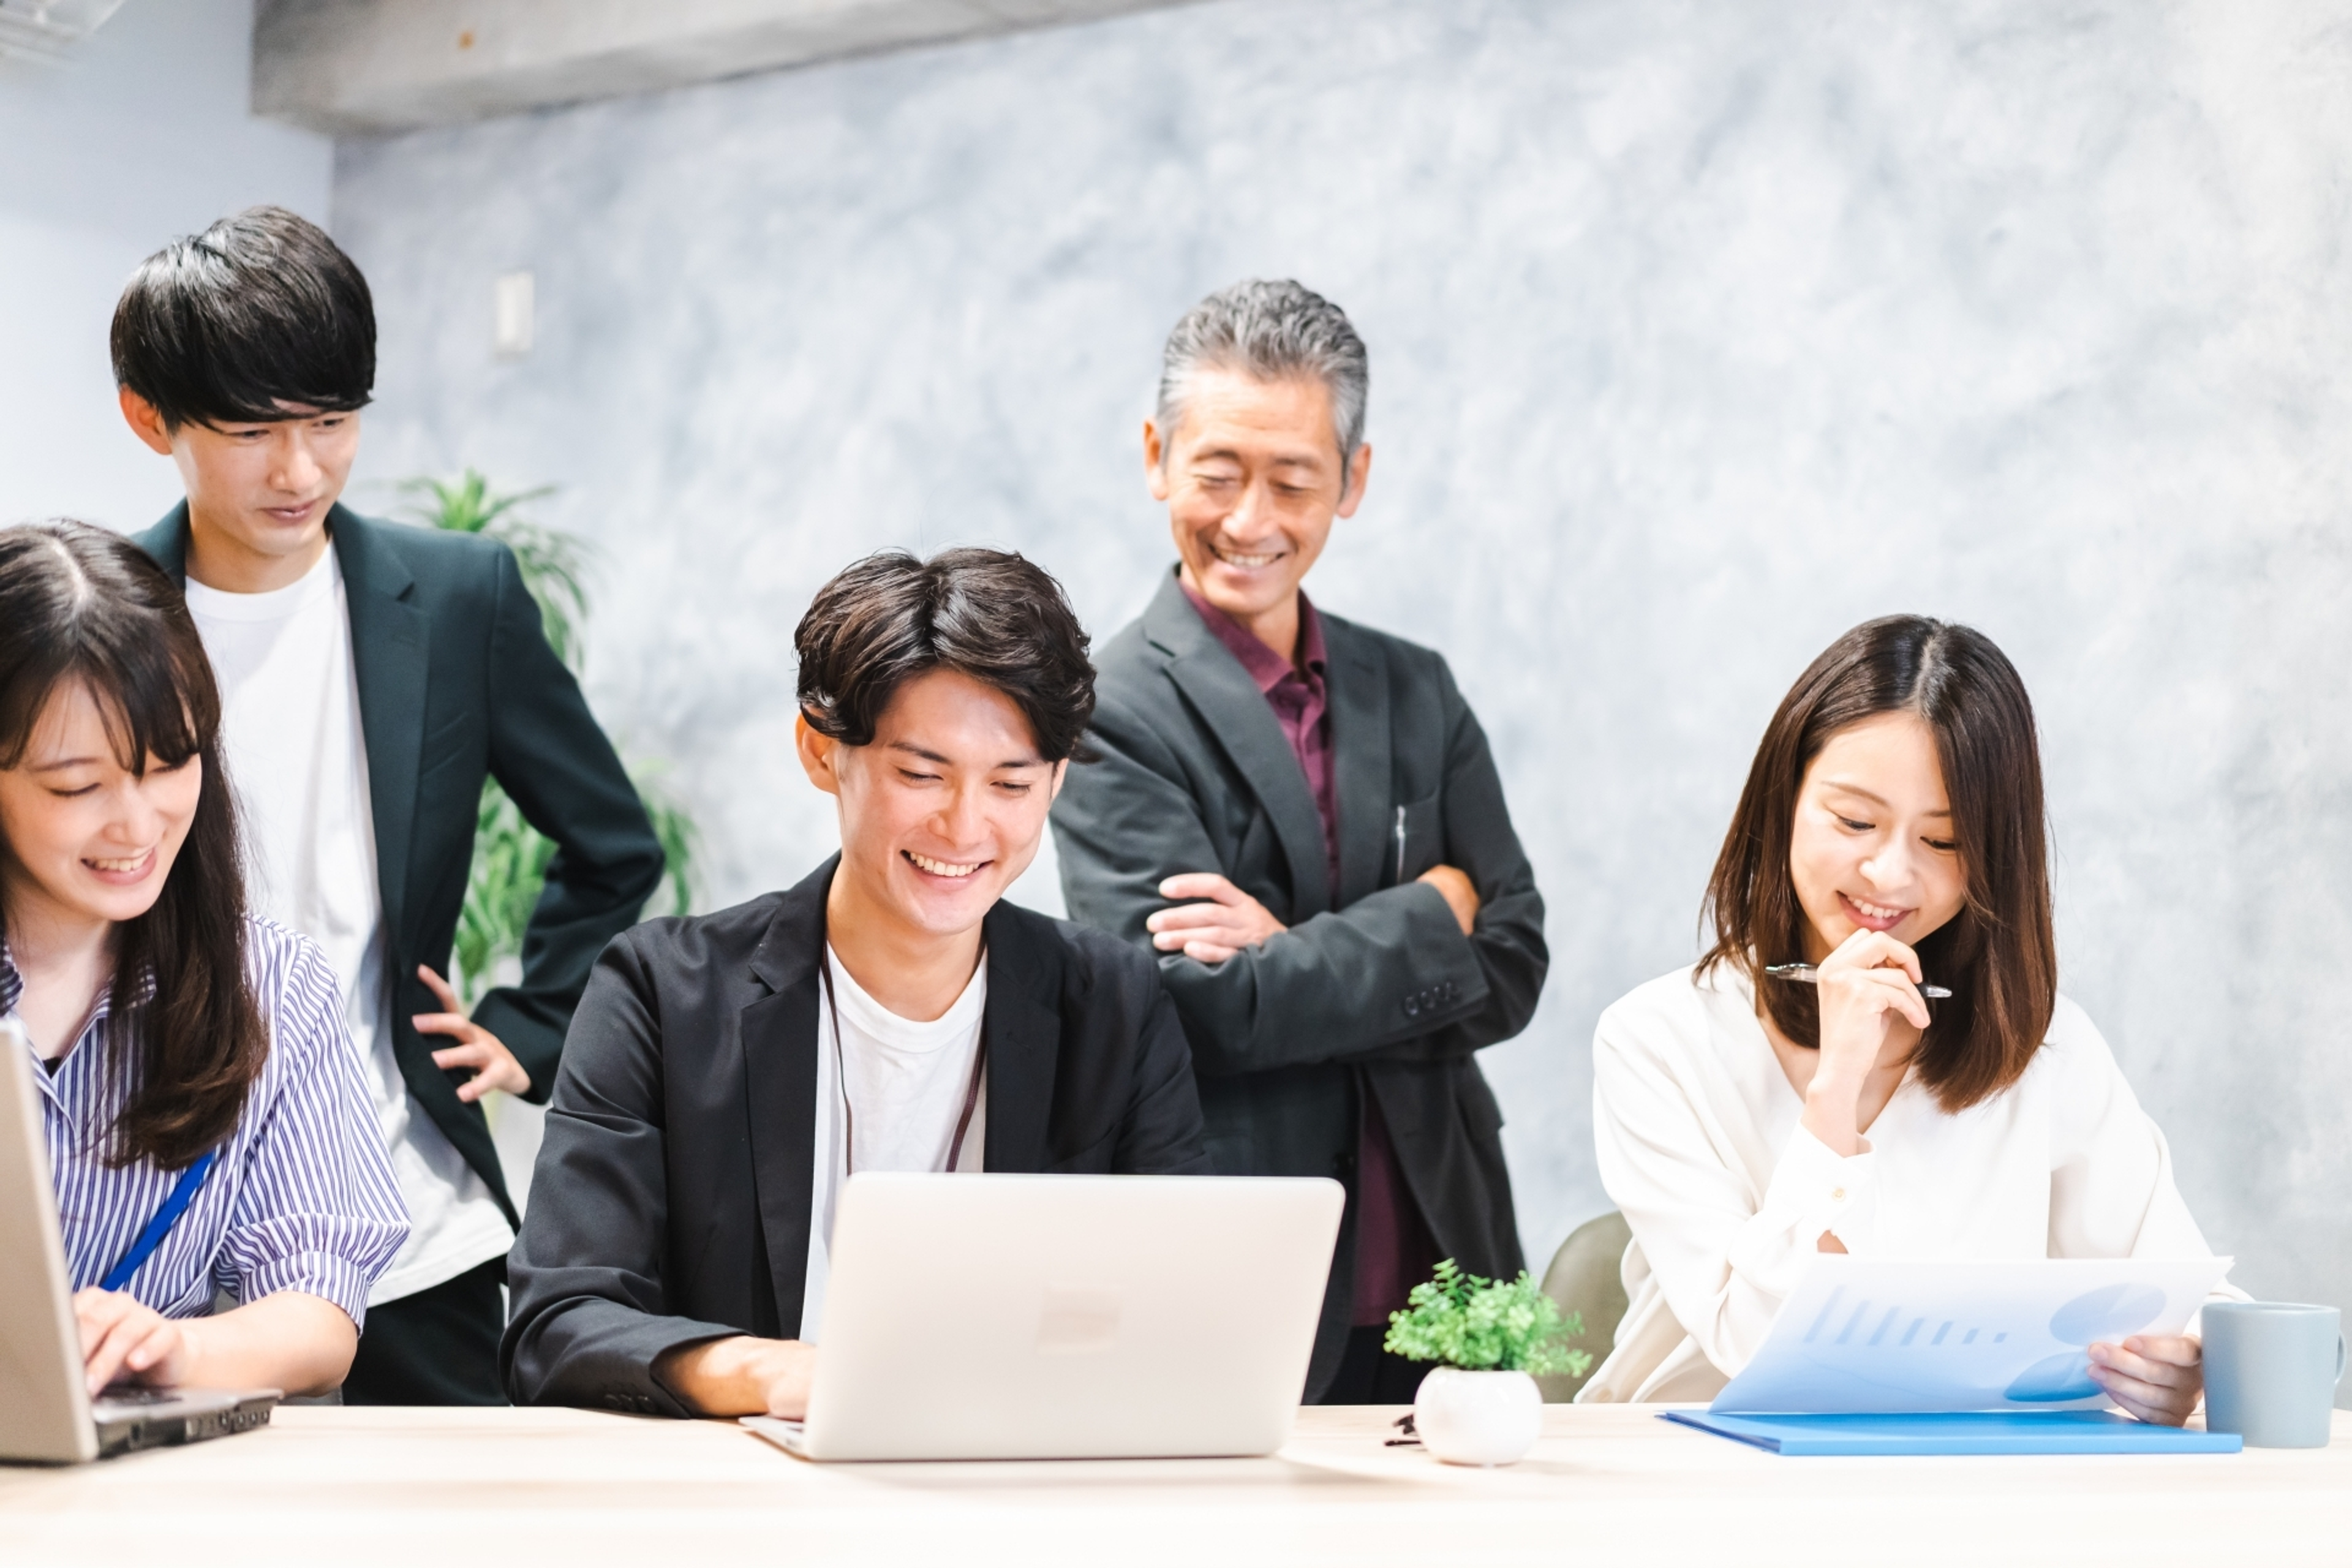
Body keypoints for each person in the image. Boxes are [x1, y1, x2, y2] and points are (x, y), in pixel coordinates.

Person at [114, 207, 666, 1405]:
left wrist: (531, 1028)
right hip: (152, 1236)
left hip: (412, 1221)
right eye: (256, 429)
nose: (301, 469)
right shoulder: (94, 620)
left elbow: (613, 844)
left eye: (332, 421)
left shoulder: (460, 596)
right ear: (149, 416)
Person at [502, 548, 1210, 1417]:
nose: (964, 825)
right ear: (820, 750)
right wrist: (776, 1376)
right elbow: (559, 1323)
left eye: (1012, 783)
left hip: (1017, 1488)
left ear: (1056, 781)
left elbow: (1182, 1317)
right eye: (921, 773)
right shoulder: (660, 993)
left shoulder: (1115, 1005)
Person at [1051, 281, 1548, 1403]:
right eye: (1219, 473)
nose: (1251, 520)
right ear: (1155, 457)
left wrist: (1290, 949)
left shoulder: (1416, 689)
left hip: (1446, 1246)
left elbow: (1514, 962)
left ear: (1354, 481)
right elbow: (1197, 1004)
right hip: (1239, 1261)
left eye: (1293, 480)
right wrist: (1430, 919)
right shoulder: (1107, 709)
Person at [1577, 615, 2238, 1423]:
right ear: (1783, 802)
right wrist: (1835, 1094)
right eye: (1854, 822)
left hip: (1960, 1487)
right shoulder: (1657, 1038)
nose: (1890, 873)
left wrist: (2182, 1366)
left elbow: (2186, 1287)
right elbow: (1758, 1350)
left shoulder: (2043, 1045)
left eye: (1946, 840)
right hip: (1701, 1477)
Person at [0, 521, 408, 1397]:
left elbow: (319, 1302)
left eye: (169, 765)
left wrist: (170, 1351)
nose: (138, 826)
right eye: (77, 787)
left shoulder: (272, 989)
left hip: (150, 1489)